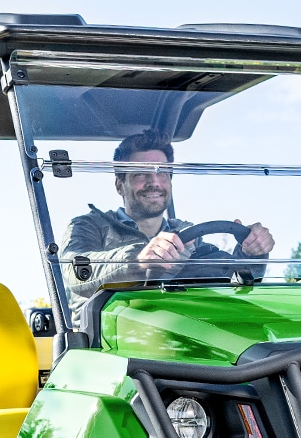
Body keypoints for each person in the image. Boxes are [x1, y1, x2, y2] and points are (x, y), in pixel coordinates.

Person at [60, 130, 274, 319]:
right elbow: (75, 271)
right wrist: (138, 261)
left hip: (177, 337)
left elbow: (227, 281)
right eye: (141, 173)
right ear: (119, 185)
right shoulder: (89, 226)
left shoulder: (188, 235)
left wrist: (251, 252)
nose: (154, 182)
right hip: (103, 344)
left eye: (162, 173)